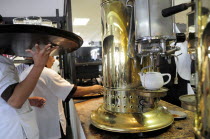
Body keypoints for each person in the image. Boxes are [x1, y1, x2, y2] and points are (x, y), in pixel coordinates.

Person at [19, 55, 104, 139]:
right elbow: (73, 92)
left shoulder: (25, 72)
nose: (53, 60)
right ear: (44, 57)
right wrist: (94, 88)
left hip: (35, 124)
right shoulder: (47, 72)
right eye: (52, 56)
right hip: (51, 124)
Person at [0, 42, 57, 139]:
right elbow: (15, 101)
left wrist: (27, 101)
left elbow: (6, 96)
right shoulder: (1, 64)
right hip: (14, 132)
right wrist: (39, 65)